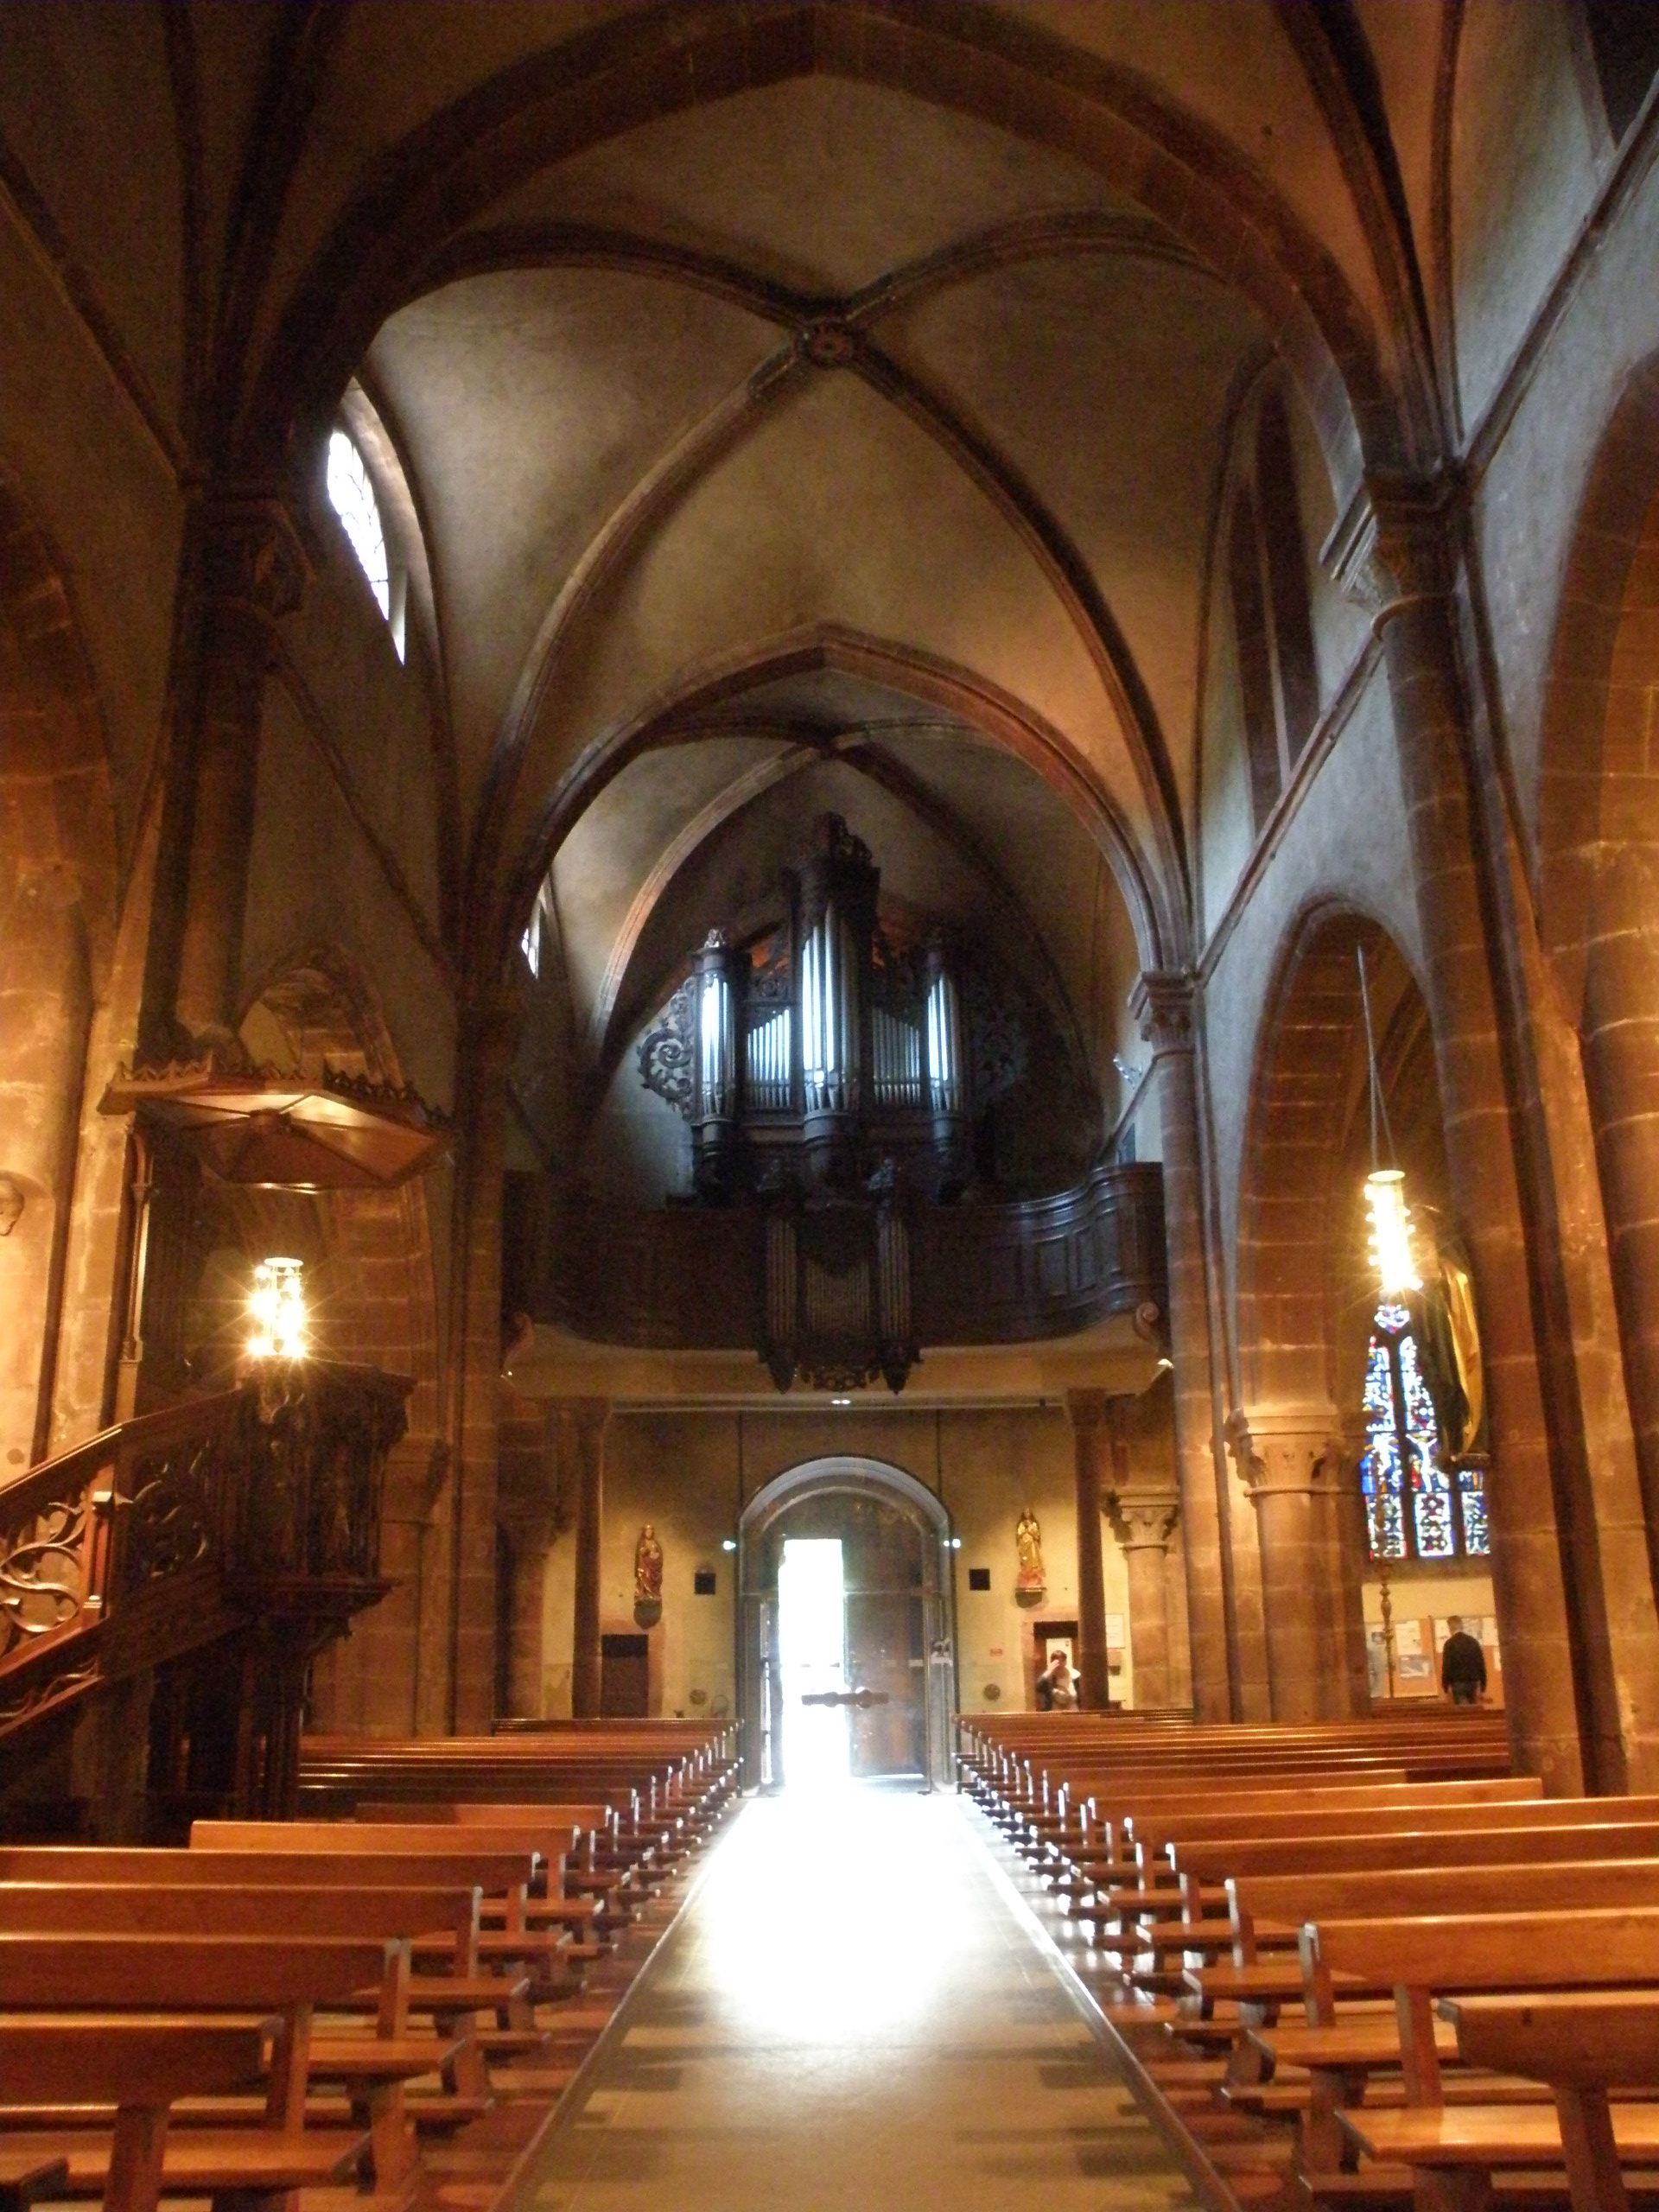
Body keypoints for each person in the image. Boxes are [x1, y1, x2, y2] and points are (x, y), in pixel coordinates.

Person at [1440, 1616, 1487, 1706]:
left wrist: (1445, 1686)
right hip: (1473, 1682)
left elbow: (1447, 1666)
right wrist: (1483, 1686)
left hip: (1457, 1683)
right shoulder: (1473, 1642)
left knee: (1462, 1711)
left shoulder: (1449, 1644)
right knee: (1472, 1709)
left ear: (1450, 1627)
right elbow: (1481, 1664)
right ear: (1461, 1626)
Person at [1036, 1648, 1076, 1712]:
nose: (1059, 1666)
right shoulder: (1048, 1679)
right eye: (1056, 1665)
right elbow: (1038, 1687)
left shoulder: (1075, 1676)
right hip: (1054, 1715)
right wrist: (1049, 1671)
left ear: (1065, 1662)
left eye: (1061, 1662)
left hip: (1073, 1715)